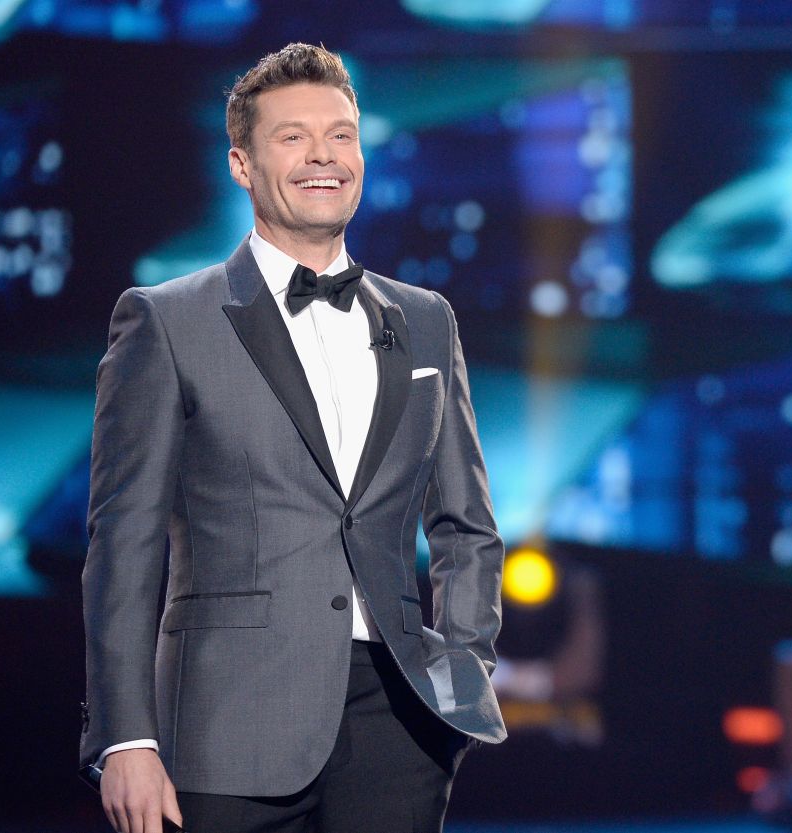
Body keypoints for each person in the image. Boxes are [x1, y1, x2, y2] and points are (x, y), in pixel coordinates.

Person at [79, 43, 505, 833]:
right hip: (224, 721)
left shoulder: (424, 319)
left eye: (341, 135)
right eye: (293, 136)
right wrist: (125, 735)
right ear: (242, 164)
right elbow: (124, 541)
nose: (323, 156)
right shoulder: (167, 320)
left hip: (400, 721)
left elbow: (467, 525)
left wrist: (463, 673)